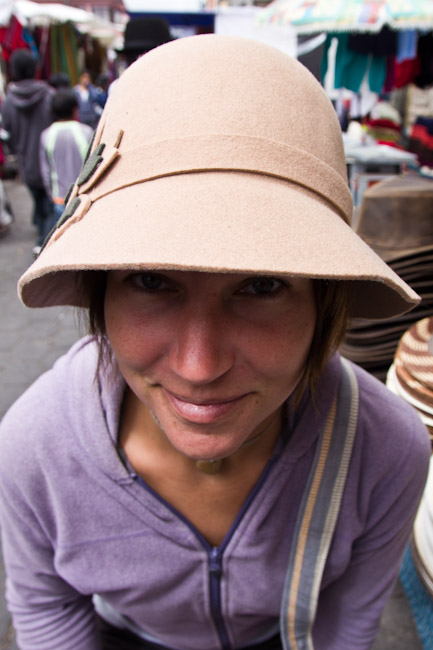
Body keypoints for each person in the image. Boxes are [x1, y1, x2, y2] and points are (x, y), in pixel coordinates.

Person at [0, 35, 430, 650]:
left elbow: (345, 625)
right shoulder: (35, 450)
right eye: (151, 280)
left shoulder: (384, 450)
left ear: (324, 301)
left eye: (260, 285)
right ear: (100, 294)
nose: (199, 367)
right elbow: (47, 609)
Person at [1, 48, 54, 253]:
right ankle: (44, 240)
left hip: (27, 163)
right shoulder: (48, 95)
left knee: (40, 202)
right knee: (49, 203)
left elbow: (9, 136)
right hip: (49, 163)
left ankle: (43, 236)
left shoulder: (8, 102)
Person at [39, 89, 93, 226]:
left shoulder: (46, 135)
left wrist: (51, 194)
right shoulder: (86, 132)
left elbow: (45, 171)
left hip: (59, 199)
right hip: (85, 197)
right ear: (75, 109)